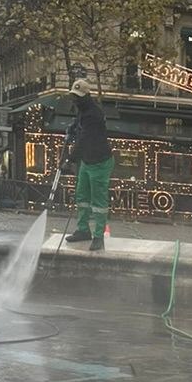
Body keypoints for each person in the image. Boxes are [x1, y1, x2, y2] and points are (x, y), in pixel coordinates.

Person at [62, 77, 115, 252]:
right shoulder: (83, 111)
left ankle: (99, 236)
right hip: (87, 160)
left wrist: (69, 159)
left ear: (86, 96)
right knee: (82, 196)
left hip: (99, 162)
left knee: (98, 201)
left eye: (78, 97)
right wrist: (73, 126)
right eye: (73, 96)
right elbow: (80, 126)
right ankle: (83, 230)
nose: (75, 100)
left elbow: (84, 140)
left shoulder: (94, 114)